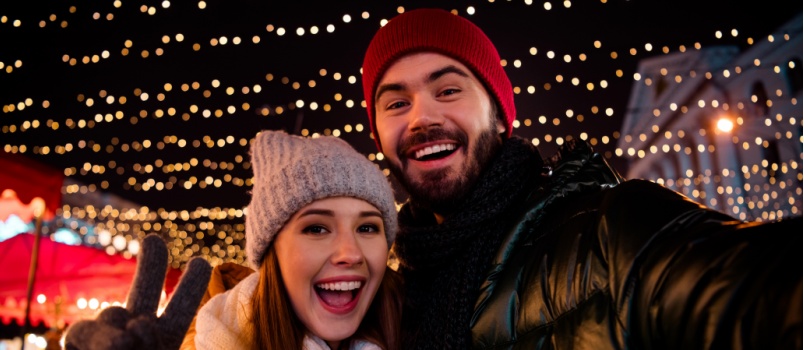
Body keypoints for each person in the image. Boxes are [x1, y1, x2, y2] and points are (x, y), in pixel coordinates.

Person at [360, 8, 802, 350]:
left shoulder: (609, 232)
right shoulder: (390, 296)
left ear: (497, 117)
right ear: (378, 132)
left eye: (448, 90)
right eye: (396, 103)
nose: (422, 117)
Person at [63, 129, 403, 350]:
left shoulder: (421, 329)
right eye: (316, 228)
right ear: (272, 251)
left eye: (368, 228)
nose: (349, 253)